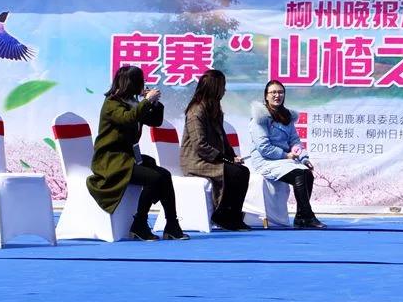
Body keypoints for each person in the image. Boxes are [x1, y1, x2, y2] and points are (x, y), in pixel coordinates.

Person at [88, 65, 189, 241]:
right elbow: (128, 118)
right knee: (154, 178)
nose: (144, 84)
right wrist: (146, 101)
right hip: (112, 161)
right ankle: (140, 223)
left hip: (129, 157)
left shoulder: (133, 103)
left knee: (164, 175)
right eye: (141, 81)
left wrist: (154, 104)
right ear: (132, 83)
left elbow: (155, 121)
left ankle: (172, 225)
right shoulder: (112, 103)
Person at [180, 69, 251, 231]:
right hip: (196, 161)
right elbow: (200, 145)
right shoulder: (196, 111)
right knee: (235, 173)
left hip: (210, 159)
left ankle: (232, 214)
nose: (225, 90)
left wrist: (232, 156)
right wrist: (226, 159)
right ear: (215, 88)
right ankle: (223, 215)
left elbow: (223, 138)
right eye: (223, 86)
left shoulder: (214, 109)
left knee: (242, 171)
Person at [247, 80, 325, 229]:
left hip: (284, 161)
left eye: (280, 92)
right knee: (299, 175)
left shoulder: (286, 116)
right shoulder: (259, 118)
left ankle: (301, 217)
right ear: (266, 96)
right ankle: (308, 216)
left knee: (307, 174)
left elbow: (294, 141)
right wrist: (286, 155)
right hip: (266, 161)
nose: (277, 95)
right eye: (273, 92)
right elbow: (263, 147)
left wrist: (303, 158)